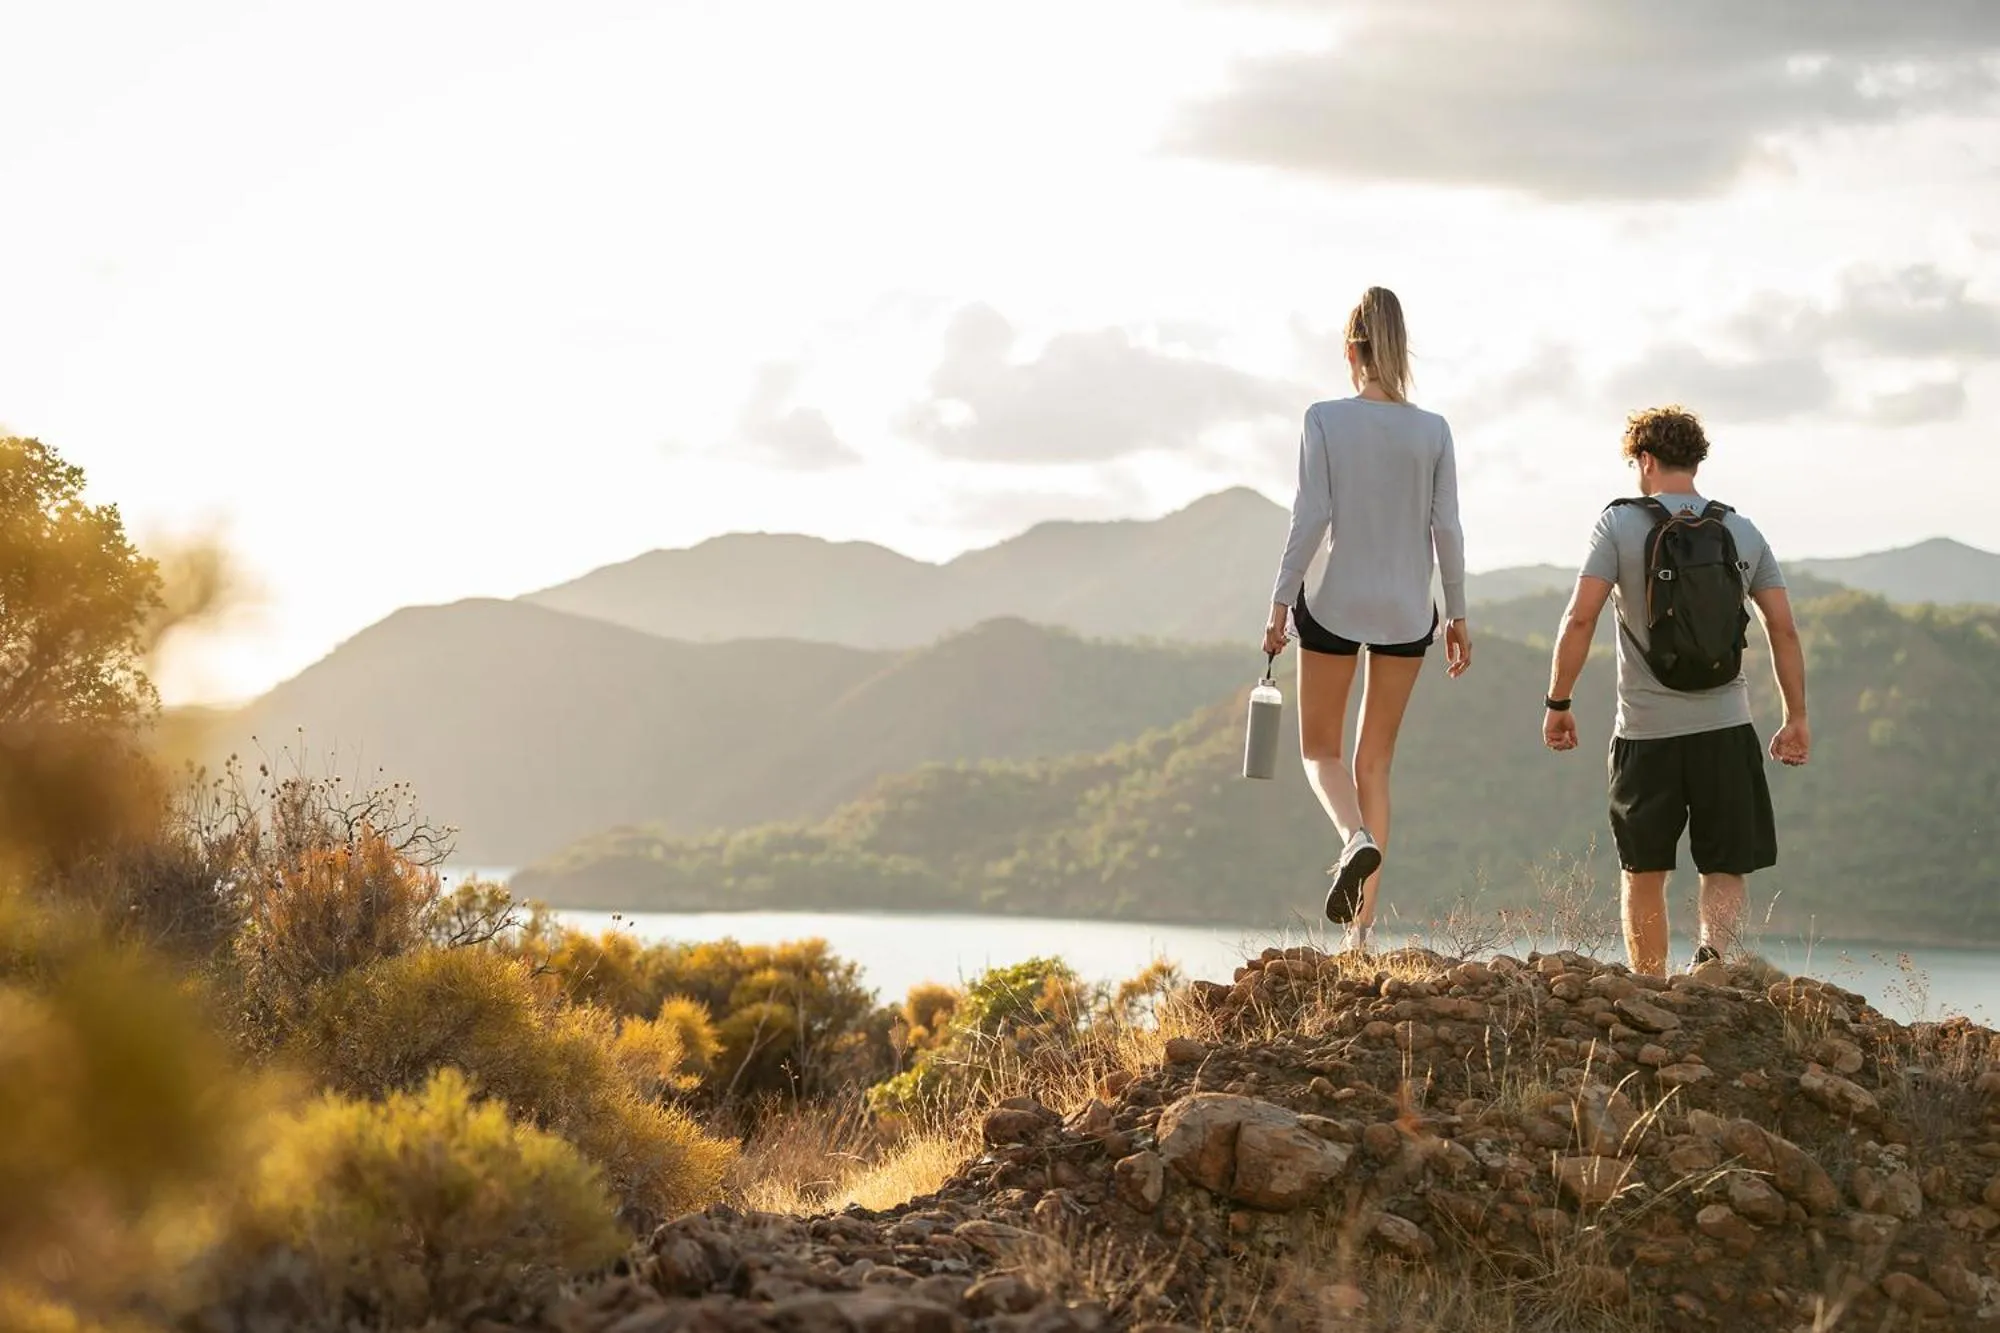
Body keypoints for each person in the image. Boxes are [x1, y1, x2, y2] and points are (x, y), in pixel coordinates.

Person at [1543, 405, 1810, 976]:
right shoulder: (1741, 529)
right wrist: (1796, 717)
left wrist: (1558, 702)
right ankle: (1712, 963)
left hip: (1645, 732)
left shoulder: (1618, 525)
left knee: (1644, 869)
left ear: (1644, 461)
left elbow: (1579, 621)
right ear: (1696, 460)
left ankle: (1650, 984)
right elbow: (1782, 629)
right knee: (1725, 861)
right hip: (1726, 725)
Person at [1264, 286, 1471, 950]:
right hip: (1411, 611)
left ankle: (1353, 837)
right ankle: (1361, 935)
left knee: (1320, 751)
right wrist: (1458, 615)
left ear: (1351, 350)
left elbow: (1312, 515)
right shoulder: (1433, 429)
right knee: (1374, 761)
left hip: (1333, 602)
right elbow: (1447, 529)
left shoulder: (1323, 418)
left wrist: (1278, 600)